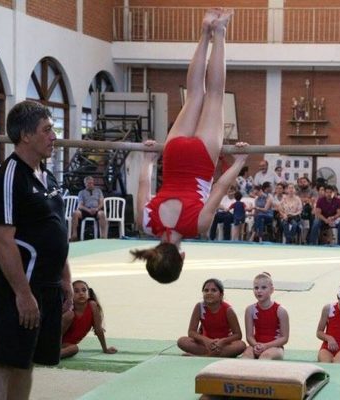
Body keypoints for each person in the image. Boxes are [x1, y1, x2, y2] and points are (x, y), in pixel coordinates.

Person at [132, 9, 249, 284]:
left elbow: (220, 187)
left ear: (182, 258)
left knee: (215, 96)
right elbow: (142, 185)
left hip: (200, 161)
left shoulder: (198, 226)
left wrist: (240, 162)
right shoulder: (146, 224)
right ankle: (204, 32)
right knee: (195, 94)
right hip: (172, 155)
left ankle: (219, 32)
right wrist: (149, 158)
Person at [0, 101, 74, 400]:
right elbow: (3, 240)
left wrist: (66, 279)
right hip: (19, 284)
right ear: (25, 136)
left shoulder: (49, 176)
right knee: (3, 363)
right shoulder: (8, 177)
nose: (54, 136)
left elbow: (57, 232)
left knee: (26, 362)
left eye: (53, 129)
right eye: (47, 130)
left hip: (47, 284)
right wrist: (22, 293)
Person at [177, 278, 246, 357]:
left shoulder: (228, 310)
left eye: (213, 290)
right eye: (206, 290)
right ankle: (213, 354)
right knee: (182, 341)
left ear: (221, 295)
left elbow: (238, 335)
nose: (209, 293)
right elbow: (191, 332)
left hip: (223, 345)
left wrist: (223, 341)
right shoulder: (199, 307)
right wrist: (206, 340)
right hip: (205, 344)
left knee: (241, 345)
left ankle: (203, 356)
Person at [60, 280, 117, 358]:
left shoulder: (92, 306)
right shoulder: (68, 310)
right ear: (70, 295)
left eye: (84, 290)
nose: (81, 293)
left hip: (66, 345)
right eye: (76, 291)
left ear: (89, 293)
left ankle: (52, 355)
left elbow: (98, 329)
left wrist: (105, 349)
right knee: (70, 315)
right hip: (54, 341)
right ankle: (49, 350)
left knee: (74, 348)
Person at [243, 272, 289, 360]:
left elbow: (284, 338)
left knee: (265, 357)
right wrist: (255, 345)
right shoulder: (250, 310)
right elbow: (249, 336)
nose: (259, 291)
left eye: (263, 287)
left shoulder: (281, 311)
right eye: (256, 288)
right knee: (246, 356)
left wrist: (266, 346)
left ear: (272, 290)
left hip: (275, 347)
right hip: (256, 345)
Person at [70, 176, 106, 241]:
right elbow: (80, 205)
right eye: (89, 183)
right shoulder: (81, 192)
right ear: (85, 184)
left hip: (96, 210)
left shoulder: (98, 191)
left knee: (102, 214)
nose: (91, 185)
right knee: (75, 213)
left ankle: (103, 236)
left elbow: (101, 203)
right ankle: (74, 235)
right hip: (85, 210)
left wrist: (97, 209)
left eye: (92, 183)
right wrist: (88, 210)